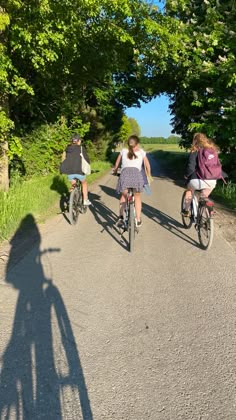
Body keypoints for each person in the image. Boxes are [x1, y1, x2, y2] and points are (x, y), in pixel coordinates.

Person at [113, 135, 151, 227]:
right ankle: (138, 219)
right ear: (137, 144)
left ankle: (121, 217)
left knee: (123, 196)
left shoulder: (123, 151)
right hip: (137, 176)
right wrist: (148, 175)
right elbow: (147, 166)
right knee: (137, 197)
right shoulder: (141, 152)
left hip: (125, 175)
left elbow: (117, 164)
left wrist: (115, 171)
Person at [183, 132, 220, 215]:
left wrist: (186, 176)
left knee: (189, 190)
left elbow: (190, 167)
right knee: (204, 197)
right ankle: (205, 219)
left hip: (197, 180)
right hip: (212, 180)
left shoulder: (195, 151)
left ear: (195, 141)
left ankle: (186, 211)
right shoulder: (212, 151)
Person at [61, 134, 91, 205]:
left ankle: (71, 200)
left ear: (72, 141)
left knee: (73, 185)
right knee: (84, 183)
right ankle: (85, 200)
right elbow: (86, 159)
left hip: (69, 172)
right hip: (79, 172)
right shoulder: (81, 148)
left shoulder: (67, 148)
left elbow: (63, 159)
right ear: (79, 141)